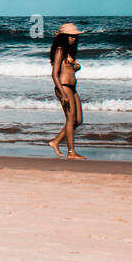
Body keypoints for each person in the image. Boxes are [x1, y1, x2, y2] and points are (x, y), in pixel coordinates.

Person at [47, 22, 85, 160]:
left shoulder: (69, 50)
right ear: (64, 36)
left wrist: (75, 67)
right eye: (71, 36)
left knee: (78, 120)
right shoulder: (60, 50)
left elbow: (67, 69)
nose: (74, 38)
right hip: (63, 87)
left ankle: (56, 141)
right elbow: (54, 74)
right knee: (70, 119)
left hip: (72, 87)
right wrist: (62, 93)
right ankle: (71, 152)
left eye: (75, 36)